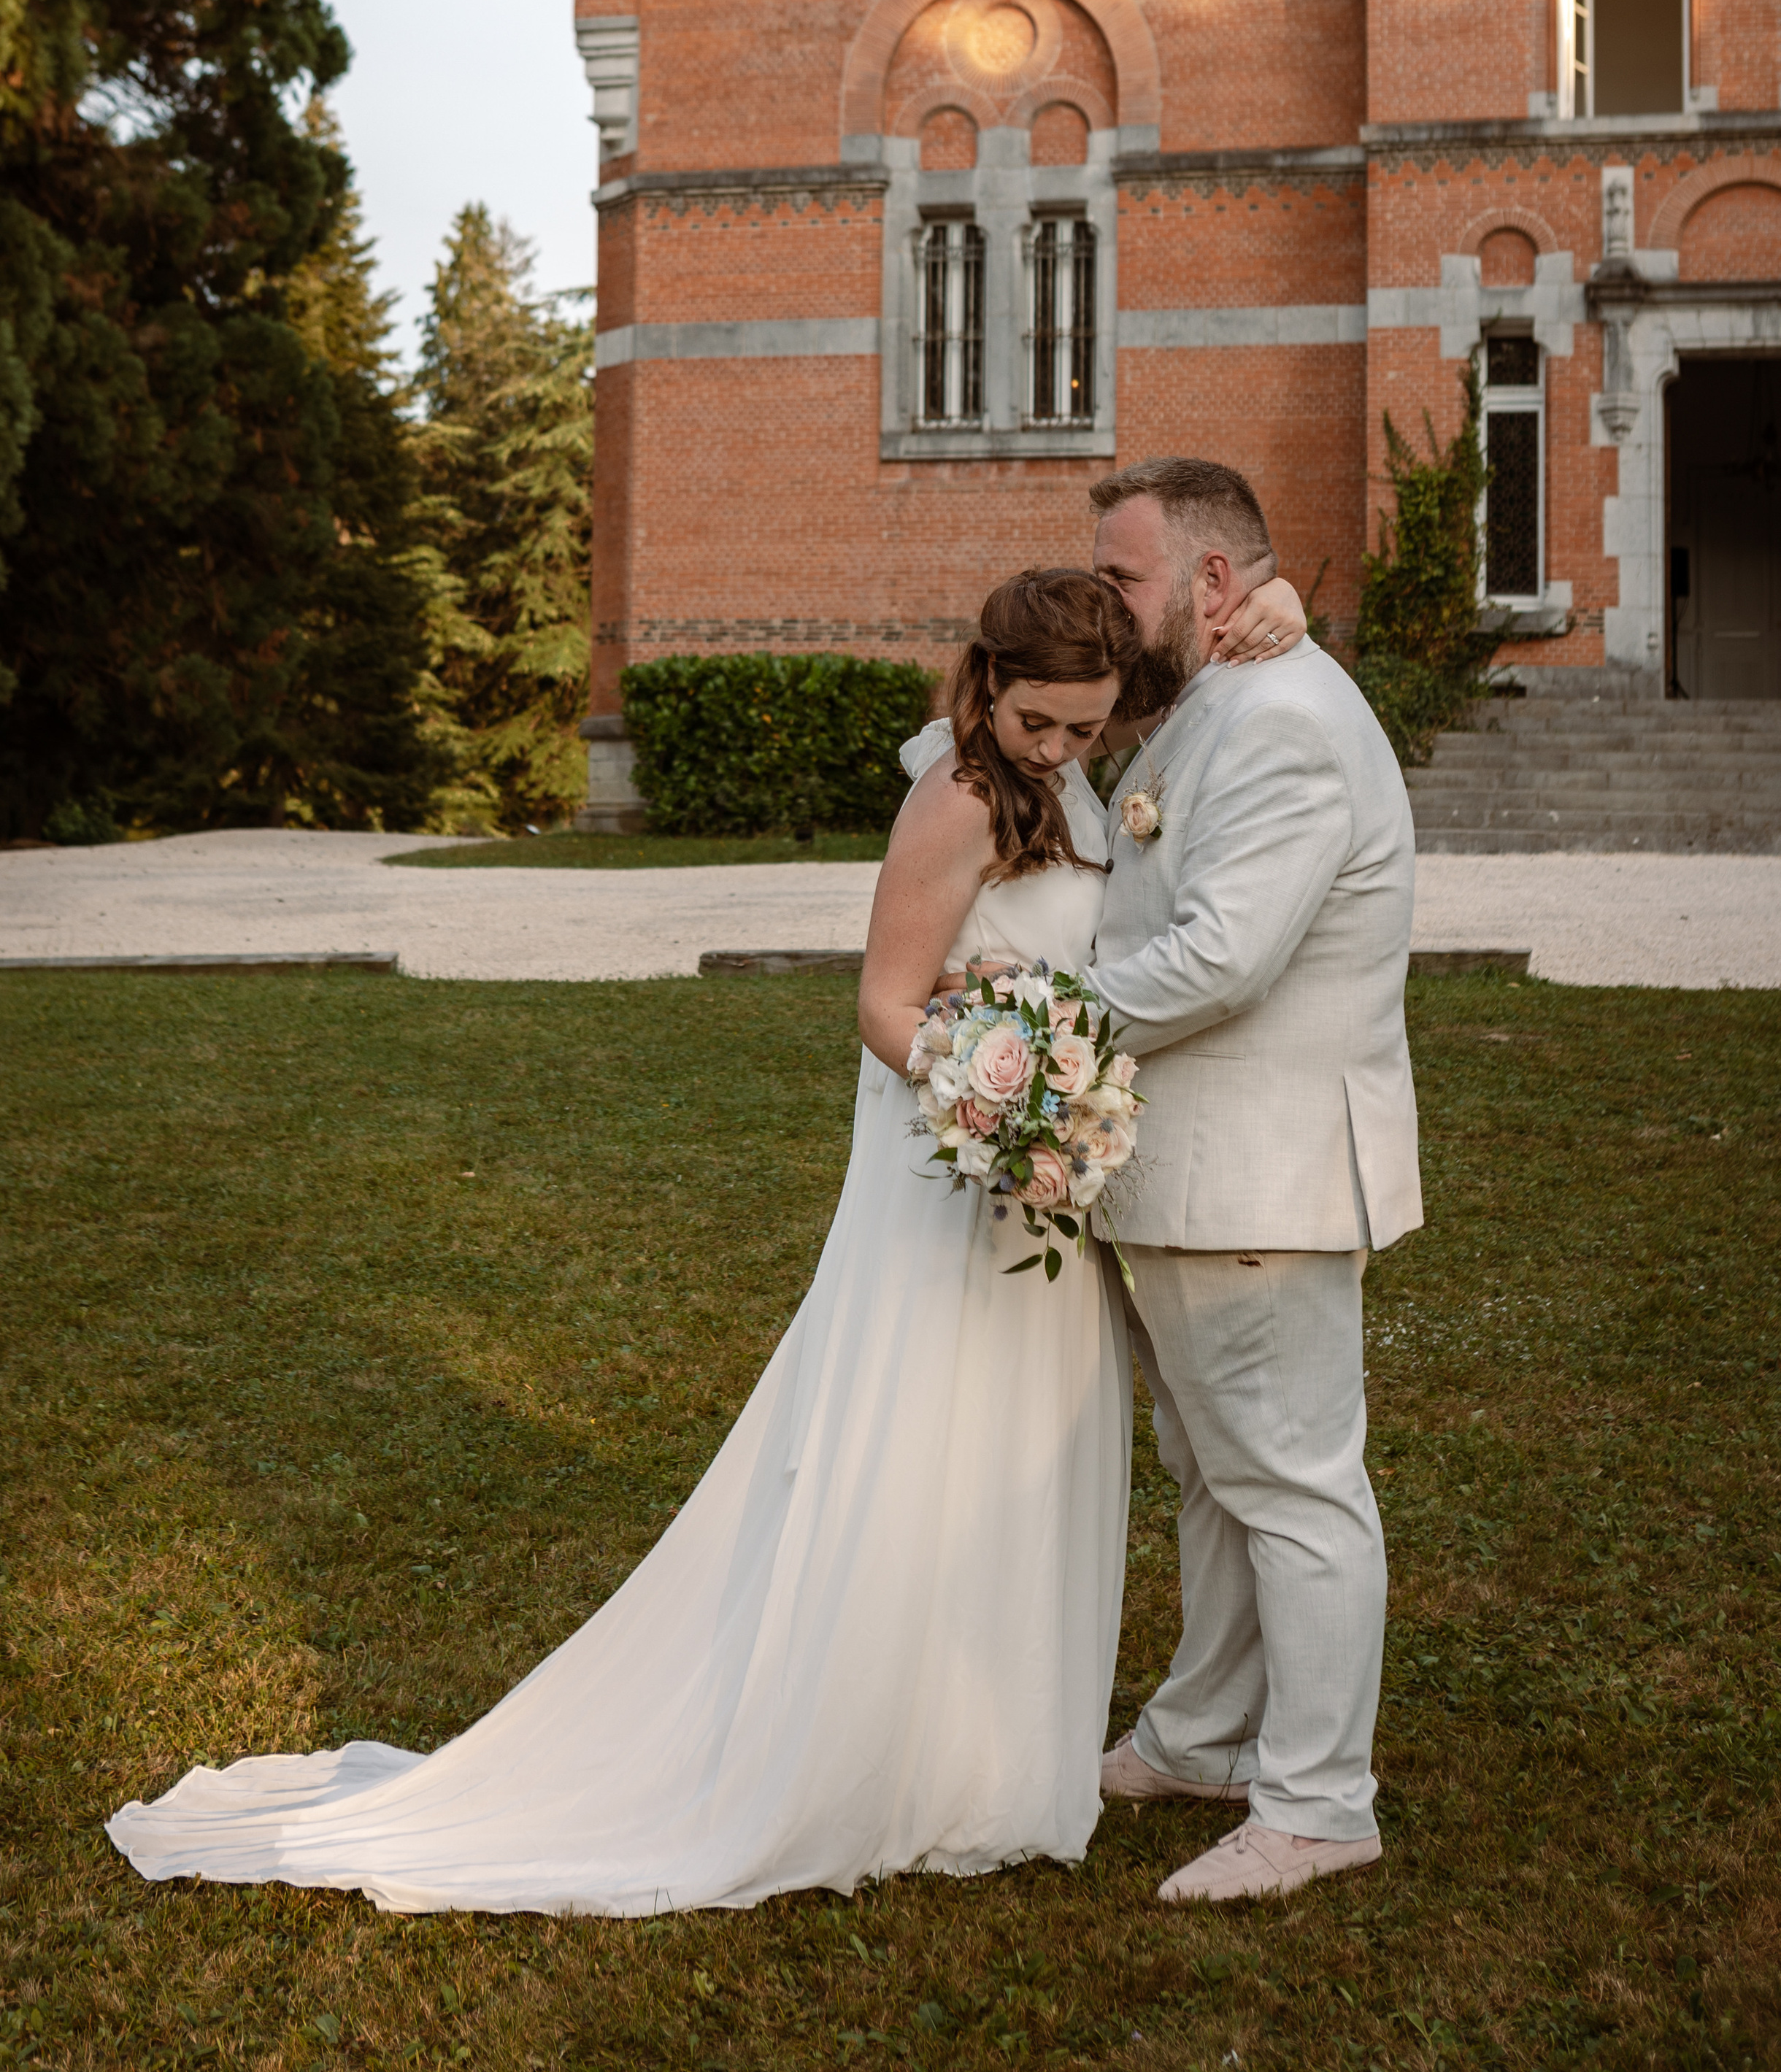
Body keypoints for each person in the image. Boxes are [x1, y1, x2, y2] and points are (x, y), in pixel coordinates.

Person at [106, 558, 1304, 1915]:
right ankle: (869, 1758)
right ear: (989, 684)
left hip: (1036, 1193)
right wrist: (1005, 1103)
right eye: (1044, 723)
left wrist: (1286, 614)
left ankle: (988, 1761)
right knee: (918, 1447)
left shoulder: (1070, 779)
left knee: (1023, 1458)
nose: (1069, 749)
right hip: (952, 1181)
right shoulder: (959, 796)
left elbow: (1209, 679)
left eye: (1089, 730)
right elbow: (885, 1005)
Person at [1082, 456, 1423, 1906]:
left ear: (1211, 585)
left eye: (1123, 580)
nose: (1105, 611)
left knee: (1288, 1486)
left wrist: (1036, 1015)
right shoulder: (1228, 691)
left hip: (1258, 1179)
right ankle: (1205, 1734)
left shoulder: (1280, 717)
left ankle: (1317, 1802)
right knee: (1217, 1480)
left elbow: (1224, 956)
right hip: (1200, 1175)